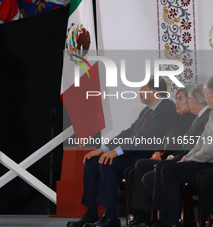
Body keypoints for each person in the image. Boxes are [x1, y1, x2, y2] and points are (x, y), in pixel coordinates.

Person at [66, 77, 177, 227]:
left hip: (145, 155)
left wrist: (117, 152)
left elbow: (147, 137)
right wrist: (103, 149)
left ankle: (110, 217)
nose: (139, 91)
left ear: (155, 92)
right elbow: (128, 132)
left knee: (108, 163)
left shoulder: (167, 109)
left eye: (143, 89)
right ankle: (91, 213)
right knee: (92, 162)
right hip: (132, 152)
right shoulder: (147, 110)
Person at [125, 84, 210, 227]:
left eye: (182, 99)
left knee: (163, 170)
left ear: (194, 101)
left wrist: (176, 158)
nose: (177, 102)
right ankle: (147, 216)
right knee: (137, 169)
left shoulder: (201, 118)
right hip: (186, 158)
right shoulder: (184, 118)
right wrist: (160, 152)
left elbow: (195, 148)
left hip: (200, 162)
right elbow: (179, 143)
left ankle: (169, 219)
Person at [149, 77, 213, 227]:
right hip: (201, 159)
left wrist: (191, 158)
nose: (204, 96)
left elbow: (209, 149)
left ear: (210, 94)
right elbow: (201, 143)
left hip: (206, 162)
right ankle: (163, 218)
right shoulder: (211, 115)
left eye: (205, 93)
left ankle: (173, 221)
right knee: (163, 167)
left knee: (169, 169)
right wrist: (187, 156)